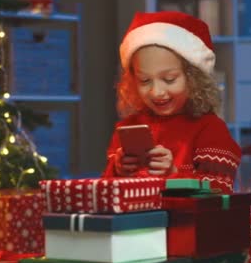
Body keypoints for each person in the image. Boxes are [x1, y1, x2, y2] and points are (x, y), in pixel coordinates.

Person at [102, 11, 241, 194]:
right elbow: (106, 193)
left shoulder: (210, 130)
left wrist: (173, 175)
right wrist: (118, 170)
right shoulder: (128, 129)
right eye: (145, 81)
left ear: (193, 78)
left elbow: (218, 192)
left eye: (169, 79)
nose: (157, 92)